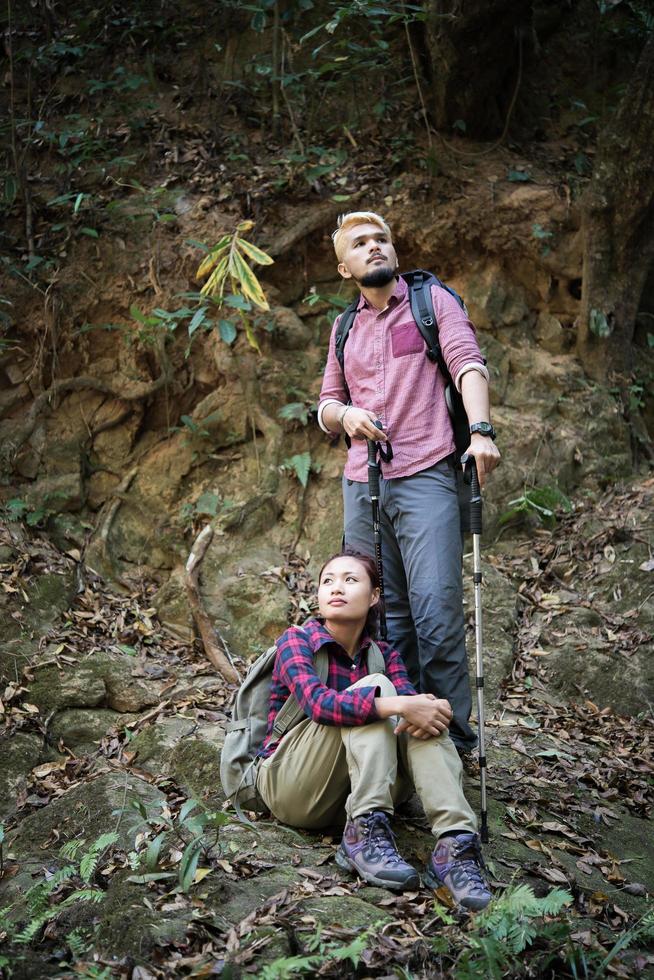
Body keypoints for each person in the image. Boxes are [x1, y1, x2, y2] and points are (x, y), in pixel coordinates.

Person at [318, 211, 501, 753]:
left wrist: (482, 431)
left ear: (393, 252)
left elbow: (468, 363)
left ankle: (452, 747)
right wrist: (344, 416)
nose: (374, 247)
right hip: (362, 484)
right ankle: (397, 736)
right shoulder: (343, 326)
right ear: (344, 266)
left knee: (436, 612)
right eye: (360, 243)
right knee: (381, 616)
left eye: (382, 240)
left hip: (427, 474)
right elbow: (326, 403)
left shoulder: (430, 302)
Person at [256, 549, 491, 910]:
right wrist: (397, 703)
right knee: (378, 690)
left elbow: (412, 719)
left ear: (375, 595)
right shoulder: (297, 641)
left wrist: (432, 708)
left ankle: (455, 846)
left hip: (354, 789)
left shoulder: (385, 653)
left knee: (419, 717)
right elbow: (319, 705)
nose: (337, 588)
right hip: (294, 786)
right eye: (328, 581)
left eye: (351, 580)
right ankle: (363, 835)